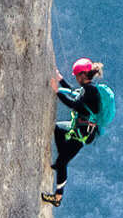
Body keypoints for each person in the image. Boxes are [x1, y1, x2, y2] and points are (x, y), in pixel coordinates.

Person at [41, 57, 104, 207]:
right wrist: (61, 80)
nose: (76, 78)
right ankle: (63, 156)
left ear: (83, 75)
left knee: (62, 163)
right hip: (78, 128)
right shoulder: (88, 89)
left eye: (77, 76)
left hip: (82, 134)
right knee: (58, 128)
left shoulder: (91, 91)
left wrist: (57, 92)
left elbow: (74, 104)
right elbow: (74, 92)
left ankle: (57, 198)